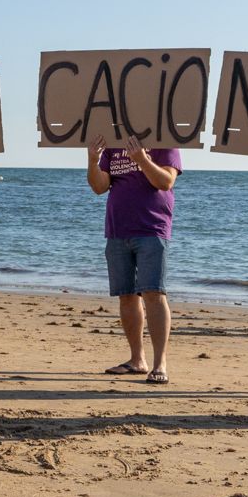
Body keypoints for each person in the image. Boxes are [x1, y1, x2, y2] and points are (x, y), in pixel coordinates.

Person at [86, 137, 182, 384]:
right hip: (118, 230)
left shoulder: (165, 140)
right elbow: (99, 187)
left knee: (153, 293)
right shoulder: (114, 144)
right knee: (127, 295)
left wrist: (142, 159)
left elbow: (166, 181)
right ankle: (137, 360)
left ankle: (160, 363)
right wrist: (92, 160)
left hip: (152, 228)